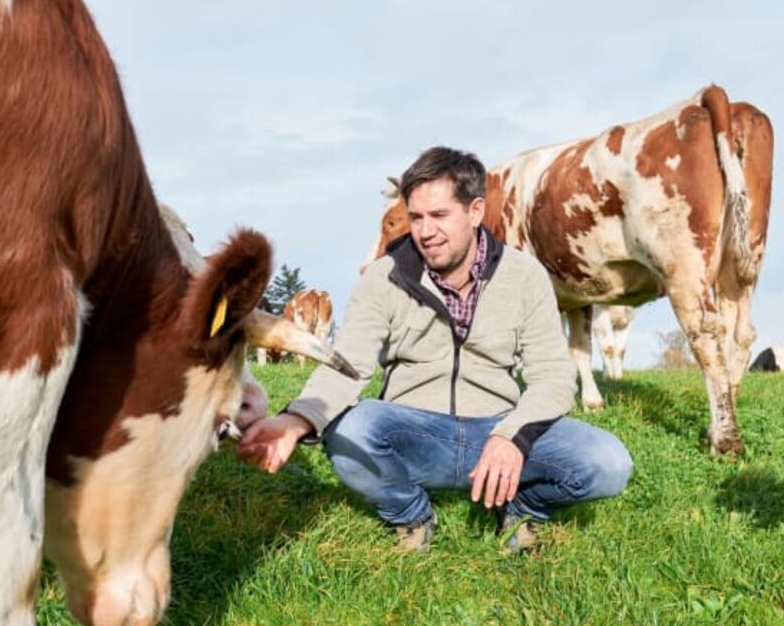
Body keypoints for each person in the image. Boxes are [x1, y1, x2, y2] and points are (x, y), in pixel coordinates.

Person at [236, 147, 633, 552]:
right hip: (415, 431)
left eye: (440, 216)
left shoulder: (524, 275)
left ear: (476, 210)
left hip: (496, 425)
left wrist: (513, 437)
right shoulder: (383, 277)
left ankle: (519, 507)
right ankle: (413, 516)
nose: (425, 232)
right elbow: (348, 363)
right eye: (417, 217)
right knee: (348, 430)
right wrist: (296, 421)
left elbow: (552, 375)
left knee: (609, 462)